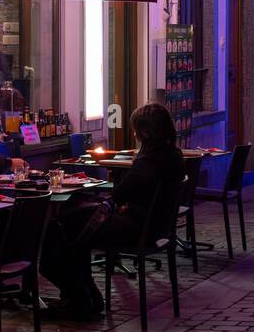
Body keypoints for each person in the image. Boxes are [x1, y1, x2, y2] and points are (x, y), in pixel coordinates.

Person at [39, 103, 185, 320]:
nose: (134, 133)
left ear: (146, 131)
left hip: (135, 228)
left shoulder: (149, 161)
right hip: (154, 228)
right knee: (74, 230)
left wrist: (113, 201)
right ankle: (85, 297)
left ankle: (80, 297)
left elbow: (120, 193)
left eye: (136, 129)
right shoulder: (174, 155)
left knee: (60, 228)